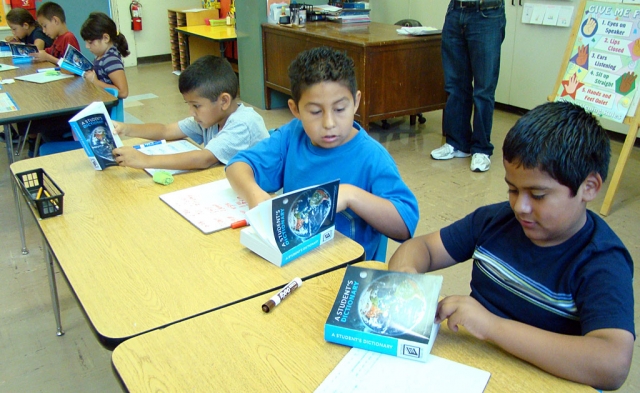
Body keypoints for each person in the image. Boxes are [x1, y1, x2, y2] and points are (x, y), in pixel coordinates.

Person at [389, 102, 634, 390]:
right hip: (471, 367)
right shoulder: (494, 221)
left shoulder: (602, 261)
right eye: (512, 189)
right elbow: (423, 249)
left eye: (539, 195)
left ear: (589, 187)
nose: (521, 207)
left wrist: (492, 326)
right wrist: (405, 274)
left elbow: (612, 363)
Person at [226, 47, 419, 261]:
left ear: (356, 102)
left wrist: (351, 195)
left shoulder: (372, 158)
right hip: (295, 262)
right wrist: (254, 194)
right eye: (316, 112)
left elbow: (405, 224)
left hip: (343, 275)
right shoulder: (292, 136)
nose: (329, 123)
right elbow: (238, 165)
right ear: (295, 109)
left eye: (339, 109)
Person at [113, 55, 268, 170]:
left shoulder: (242, 123)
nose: (191, 112)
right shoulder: (212, 118)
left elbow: (203, 159)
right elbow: (166, 130)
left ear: (224, 101)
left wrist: (145, 160)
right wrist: (126, 128)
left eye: (196, 106)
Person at [430, 0, 506, 172]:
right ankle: (457, 143)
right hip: (456, 11)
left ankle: (481, 148)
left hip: (487, 12)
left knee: (484, 89)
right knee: (455, 85)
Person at [80, 12, 130, 99]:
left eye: (90, 42)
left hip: (108, 109)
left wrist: (95, 81)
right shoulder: (101, 55)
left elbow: (123, 92)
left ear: (105, 38)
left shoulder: (111, 60)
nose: (87, 46)